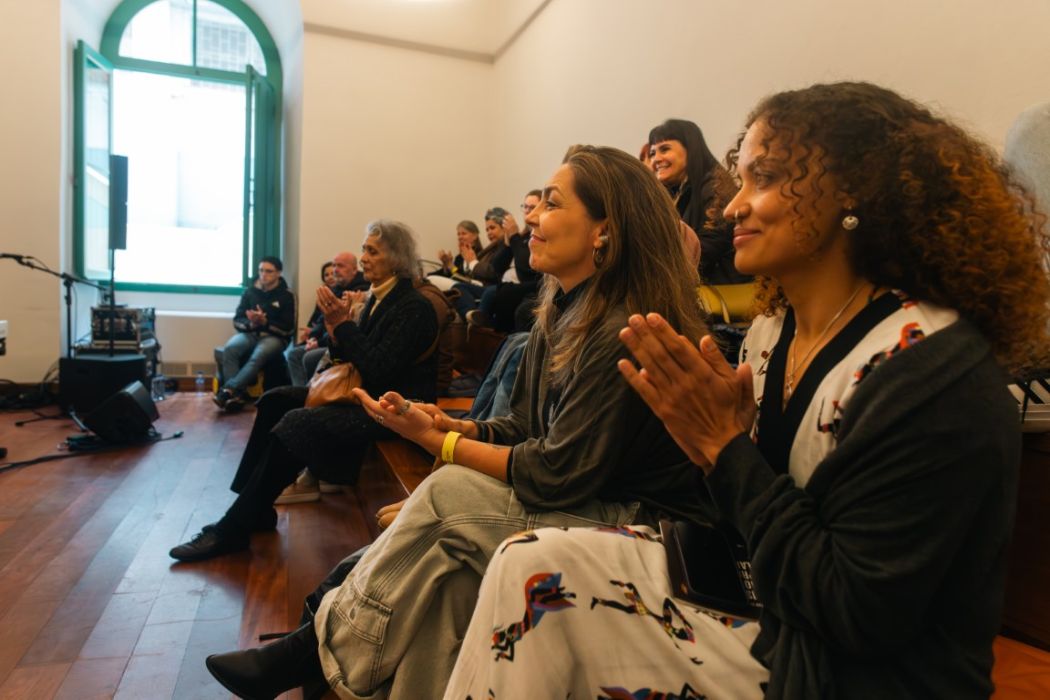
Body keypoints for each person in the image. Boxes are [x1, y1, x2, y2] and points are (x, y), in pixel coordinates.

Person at [445, 82, 1050, 699]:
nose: (733, 206)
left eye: (764, 178)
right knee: (526, 560)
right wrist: (717, 450)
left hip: (851, 667)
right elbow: (751, 513)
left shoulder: (929, 371)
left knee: (536, 584)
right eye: (740, 180)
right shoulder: (770, 333)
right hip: (769, 598)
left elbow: (859, 612)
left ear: (854, 191)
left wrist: (724, 449)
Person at [201, 145, 713, 699]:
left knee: (448, 493)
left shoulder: (621, 326)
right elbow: (523, 426)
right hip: (585, 496)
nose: (533, 219)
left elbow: (557, 474)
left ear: (603, 231)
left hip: (642, 524)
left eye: (551, 204)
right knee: (450, 578)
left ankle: (317, 653)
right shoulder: (560, 313)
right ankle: (317, 650)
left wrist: (441, 443)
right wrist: (454, 426)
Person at [170, 220, 439, 562]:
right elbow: (350, 359)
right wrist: (336, 330)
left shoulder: (413, 307)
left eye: (372, 251)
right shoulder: (378, 298)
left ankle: (233, 528)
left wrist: (344, 325)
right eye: (364, 249)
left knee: (298, 422)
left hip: (395, 411)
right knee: (274, 400)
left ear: (397, 258)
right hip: (367, 398)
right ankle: (254, 509)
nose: (364, 258)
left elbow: (380, 370)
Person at [648, 118, 752, 286]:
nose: (656, 159)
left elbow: (711, 245)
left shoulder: (716, 185)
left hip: (725, 288)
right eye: (652, 153)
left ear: (690, 149)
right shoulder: (678, 192)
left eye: (665, 149)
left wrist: (659, 270)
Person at [214, 256, 296, 411]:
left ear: (279, 273)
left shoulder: (286, 295)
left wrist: (266, 323)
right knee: (230, 348)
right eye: (261, 270)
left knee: (259, 354)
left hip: (275, 338)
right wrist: (251, 323)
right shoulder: (250, 292)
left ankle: (229, 390)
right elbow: (237, 320)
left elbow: (288, 328)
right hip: (250, 333)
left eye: (269, 271)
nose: (263, 275)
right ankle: (235, 397)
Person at [286, 251, 368, 387]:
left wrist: (318, 342)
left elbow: (341, 324)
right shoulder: (336, 288)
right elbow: (321, 318)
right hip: (325, 340)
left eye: (340, 266)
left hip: (341, 343)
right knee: (294, 353)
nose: (335, 270)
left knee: (305, 357)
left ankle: (307, 393)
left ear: (354, 269)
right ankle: (303, 392)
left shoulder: (360, 291)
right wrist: (313, 337)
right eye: (334, 265)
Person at [467, 191, 544, 332]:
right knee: (468, 288)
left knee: (498, 293)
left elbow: (527, 272)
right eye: (525, 207)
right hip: (512, 284)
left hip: (536, 285)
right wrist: (509, 243)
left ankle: (483, 327)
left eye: (532, 207)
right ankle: (480, 326)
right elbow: (496, 268)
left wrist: (514, 237)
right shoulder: (522, 236)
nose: (527, 211)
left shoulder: (540, 234)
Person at [429, 220, 484, 292]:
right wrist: (446, 265)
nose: (460, 237)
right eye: (458, 234)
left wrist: (450, 265)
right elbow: (454, 273)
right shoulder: (459, 258)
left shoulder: (482, 255)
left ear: (475, 236)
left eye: (464, 233)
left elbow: (468, 279)